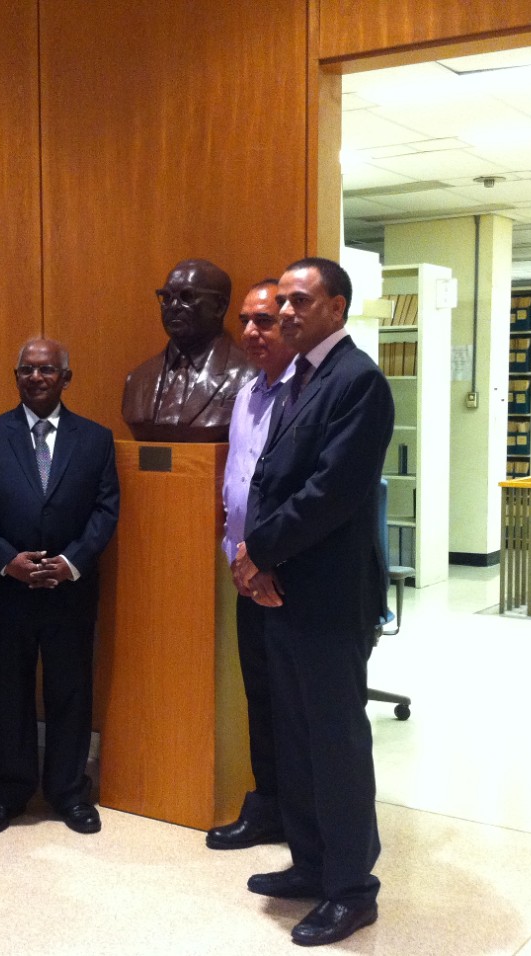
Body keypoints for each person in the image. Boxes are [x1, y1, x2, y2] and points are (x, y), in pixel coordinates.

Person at [234, 257, 393, 947]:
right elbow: (270, 478)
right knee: (295, 737)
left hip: (329, 597)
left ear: (338, 307)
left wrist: (259, 551)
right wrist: (257, 560)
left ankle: (352, 888)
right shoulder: (300, 378)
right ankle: (310, 863)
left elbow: (328, 494)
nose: (288, 312)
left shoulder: (358, 383)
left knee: (334, 743)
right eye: (285, 301)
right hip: (285, 590)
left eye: (303, 301)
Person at [0, 338, 120, 837]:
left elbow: (106, 510)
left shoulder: (96, 439)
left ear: (66, 377)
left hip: (70, 590)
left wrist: (71, 562)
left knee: (71, 693)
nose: (36, 377)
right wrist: (9, 561)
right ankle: (9, 792)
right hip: (7, 590)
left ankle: (69, 793)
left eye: (47, 370)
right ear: (16, 376)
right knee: (9, 694)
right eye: (26, 369)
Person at [205, 279, 295, 851]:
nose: (253, 332)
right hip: (245, 575)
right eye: (247, 321)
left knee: (295, 706)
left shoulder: (306, 395)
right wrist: (236, 559)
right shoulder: (245, 396)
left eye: (264, 320)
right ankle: (268, 808)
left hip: (287, 578)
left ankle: (303, 819)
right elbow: (236, 484)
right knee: (260, 700)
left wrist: (265, 562)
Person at [121, 258, 256, 442]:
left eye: (187, 297)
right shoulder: (137, 379)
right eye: (166, 298)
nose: (174, 307)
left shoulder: (248, 375)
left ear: (220, 306)